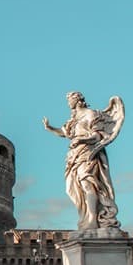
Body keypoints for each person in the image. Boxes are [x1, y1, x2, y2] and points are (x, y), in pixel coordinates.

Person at [43, 91, 125, 231]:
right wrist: (50, 128)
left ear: (78, 100)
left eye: (70, 100)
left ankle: (93, 219)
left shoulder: (91, 114)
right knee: (75, 188)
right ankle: (86, 217)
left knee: (88, 184)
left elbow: (98, 136)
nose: (69, 103)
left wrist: (82, 139)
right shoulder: (74, 119)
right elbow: (64, 133)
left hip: (89, 152)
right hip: (74, 156)